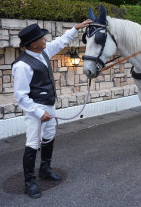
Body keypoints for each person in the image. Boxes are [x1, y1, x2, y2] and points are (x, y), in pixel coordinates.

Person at [12, 19, 92, 199]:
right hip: (36, 109)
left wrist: (75, 29)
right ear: (33, 43)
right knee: (33, 143)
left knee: (48, 137)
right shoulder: (22, 65)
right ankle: (29, 183)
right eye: (42, 37)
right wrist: (40, 113)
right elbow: (21, 97)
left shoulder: (42, 53)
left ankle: (45, 169)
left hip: (49, 104)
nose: (45, 39)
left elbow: (60, 42)